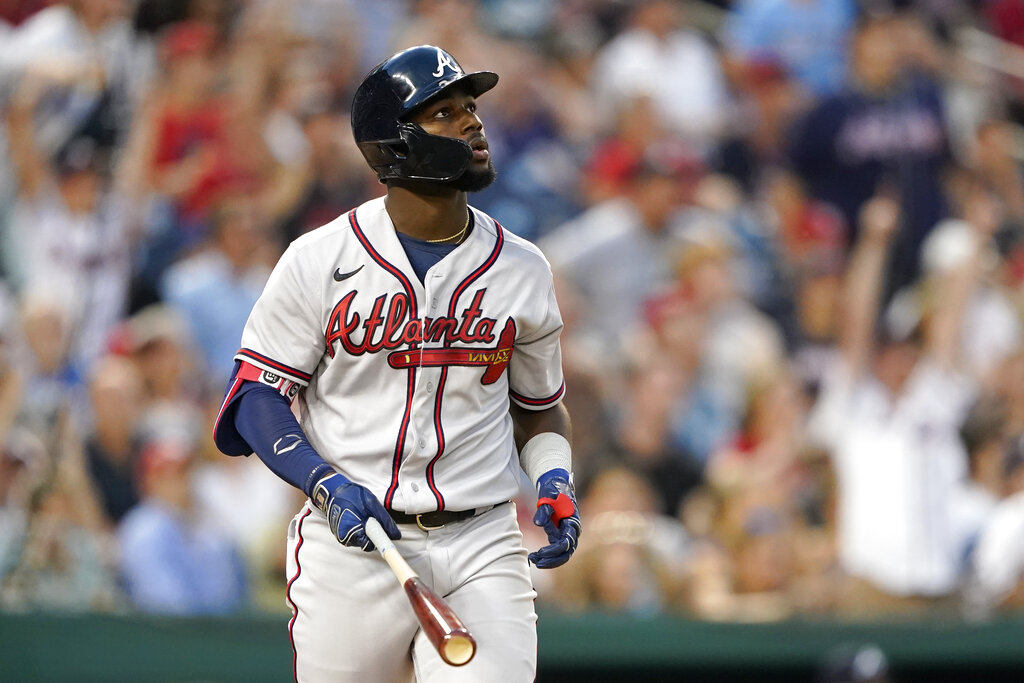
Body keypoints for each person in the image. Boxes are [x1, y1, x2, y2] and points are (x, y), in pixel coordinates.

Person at [212, 45, 580, 682]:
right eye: (443, 112)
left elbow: (539, 409)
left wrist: (554, 478)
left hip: (481, 539)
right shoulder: (319, 258)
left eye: (470, 107)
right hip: (353, 543)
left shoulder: (523, 269)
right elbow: (254, 398)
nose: (472, 122)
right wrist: (320, 480)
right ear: (393, 144)